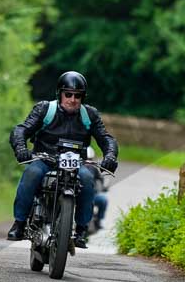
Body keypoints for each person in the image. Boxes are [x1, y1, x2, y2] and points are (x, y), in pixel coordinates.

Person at [7, 71, 118, 248]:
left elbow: (106, 139)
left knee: (88, 178)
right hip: (45, 159)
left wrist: (110, 155)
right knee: (31, 173)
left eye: (78, 95)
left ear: (83, 97)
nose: (72, 99)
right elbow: (21, 130)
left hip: (77, 163)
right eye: (68, 94)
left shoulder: (90, 115)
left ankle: (81, 230)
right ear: (60, 94)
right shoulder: (45, 109)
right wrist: (21, 148)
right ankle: (19, 223)